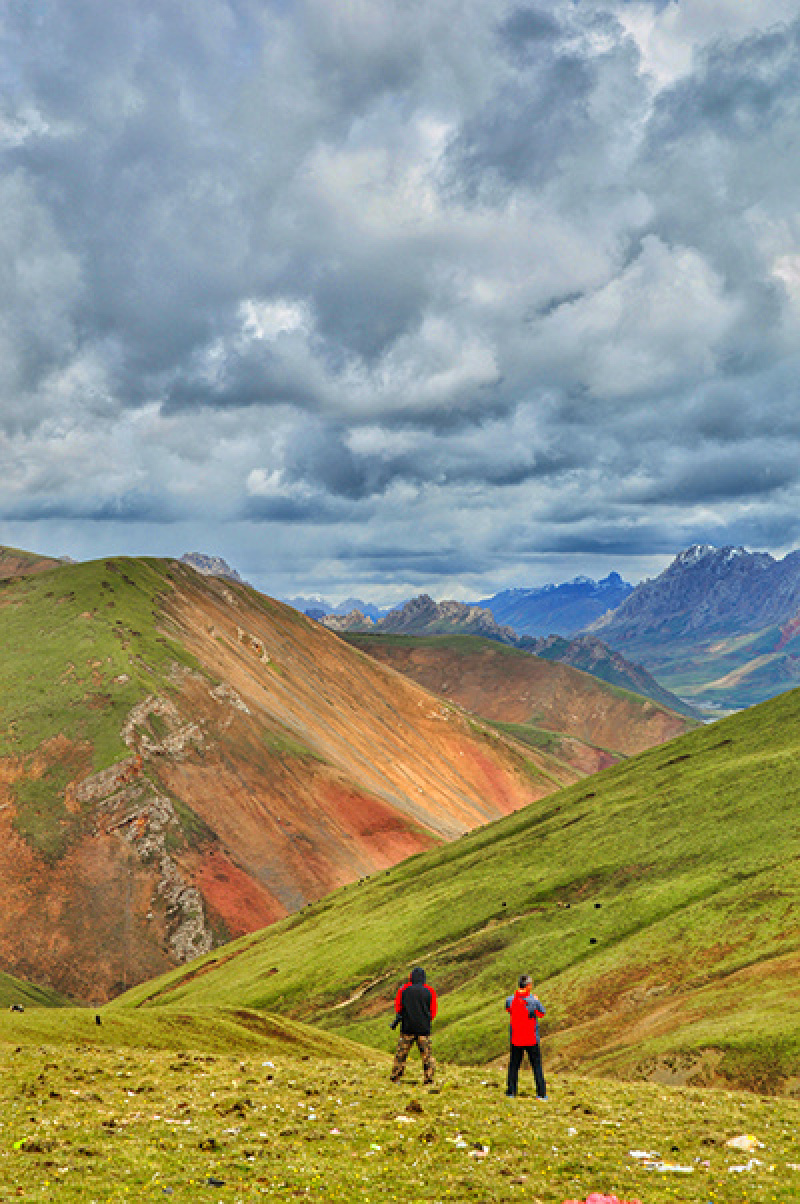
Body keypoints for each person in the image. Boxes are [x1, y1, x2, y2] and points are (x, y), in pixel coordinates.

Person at [390, 966, 437, 1084]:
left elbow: (398, 1007)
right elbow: (433, 1011)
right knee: (427, 1055)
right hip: (423, 1029)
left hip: (407, 1027)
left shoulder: (403, 989)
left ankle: (395, 1077)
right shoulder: (430, 991)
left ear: (411, 977)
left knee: (401, 1054)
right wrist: (425, 1020)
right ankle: (429, 1078)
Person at [505, 973, 547, 1099]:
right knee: (536, 1066)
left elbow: (508, 1010)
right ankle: (541, 1094)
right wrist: (537, 1001)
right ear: (528, 986)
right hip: (531, 1039)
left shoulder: (510, 1000)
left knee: (514, 1065)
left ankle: (511, 1092)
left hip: (516, 1038)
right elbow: (542, 1013)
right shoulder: (533, 1001)